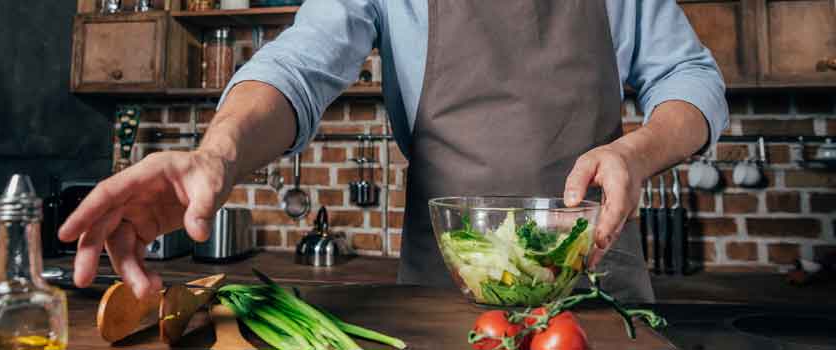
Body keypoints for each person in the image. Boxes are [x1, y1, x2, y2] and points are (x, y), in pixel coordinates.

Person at [59, 0, 728, 302]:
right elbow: (299, 67)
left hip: (598, 288)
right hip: (448, 293)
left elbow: (691, 77)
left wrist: (637, 152)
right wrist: (219, 151)